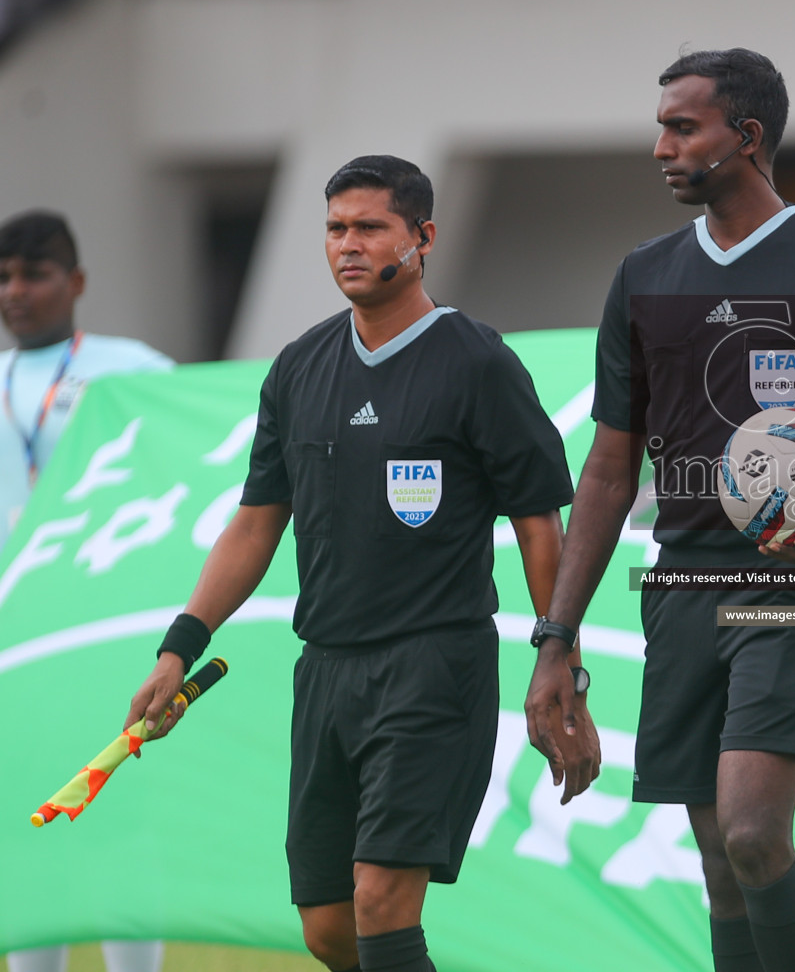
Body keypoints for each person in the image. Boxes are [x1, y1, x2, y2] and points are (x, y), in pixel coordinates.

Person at [523, 48, 795, 972]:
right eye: (662, 126)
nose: (660, 148)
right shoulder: (643, 276)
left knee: (757, 832)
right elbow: (606, 472)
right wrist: (555, 637)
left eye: (683, 128)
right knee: (722, 865)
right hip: (683, 588)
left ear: (747, 137)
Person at [121, 156, 577, 972]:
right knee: (329, 930)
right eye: (335, 229)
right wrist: (178, 646)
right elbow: (256, 524)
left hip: (435, 665)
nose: (348, 246)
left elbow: (539, 526)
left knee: (380, 901)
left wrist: (559, 660)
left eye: (370, 227)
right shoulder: (298, 367)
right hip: (326, 670)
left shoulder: (477, 362)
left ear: (423, 237)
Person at [2, 210, 171, 972]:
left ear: (75, 283)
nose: (15, 291)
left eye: (33, 275)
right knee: (25, 824)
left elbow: (194, 460)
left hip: (100, 630)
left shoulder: (131, 369)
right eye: (3, 276)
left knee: (116, 813)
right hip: (17, 639)